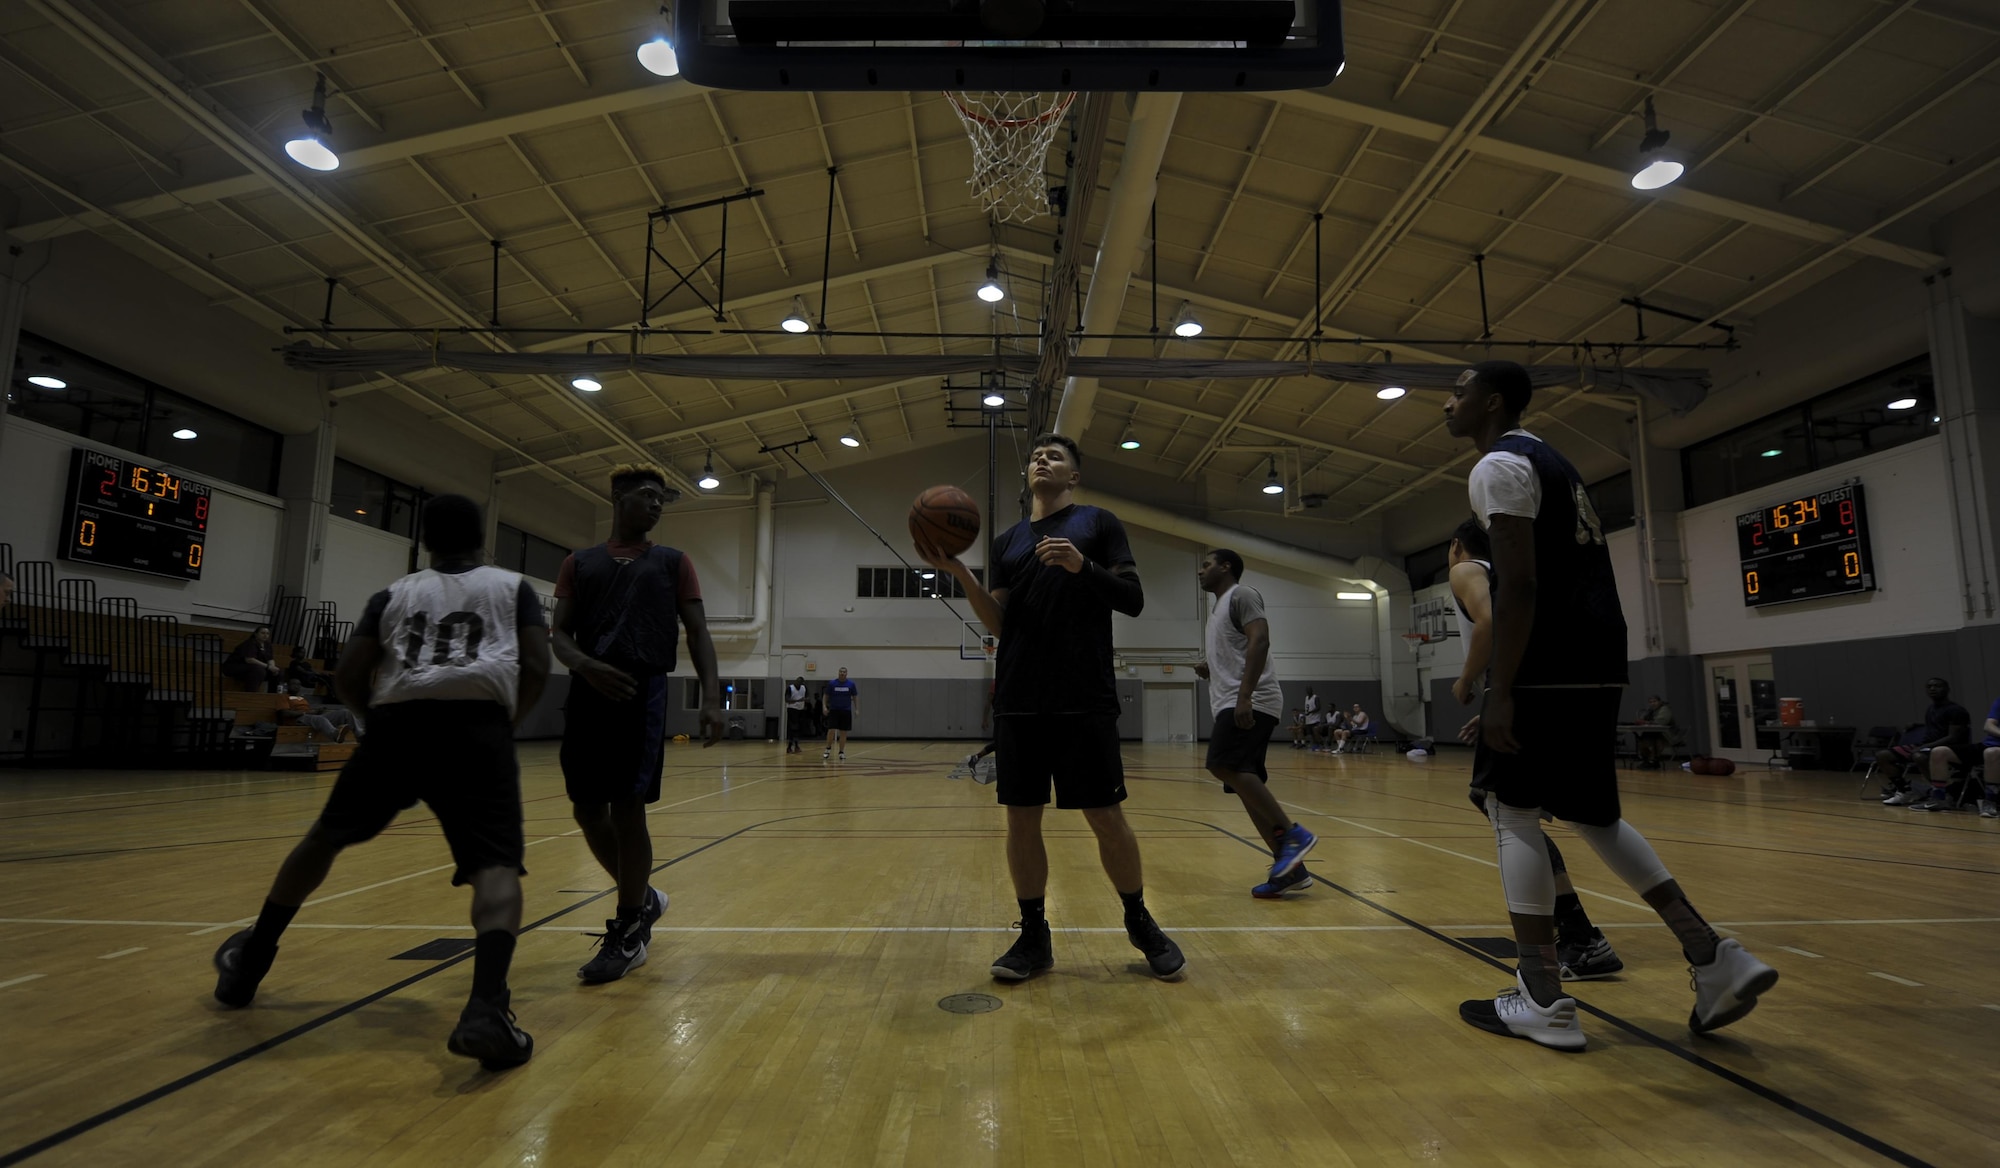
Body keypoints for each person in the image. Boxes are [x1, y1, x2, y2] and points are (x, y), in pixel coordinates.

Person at [1444, 359, 1777, 1050]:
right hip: (1598, 656)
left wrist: (1499, 688)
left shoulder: (1498, 466)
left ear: (1492, 402)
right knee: (1595, 815)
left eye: (1459, 393)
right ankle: (1713, 954)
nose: (1447, 404)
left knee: (1512, 813)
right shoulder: (1555, 462)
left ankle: (1541, 995)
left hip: (1547, 660)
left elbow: (1522, 586)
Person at [209, 495, 550, 1069]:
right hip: (477, 728)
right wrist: (505, 724)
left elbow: (347, 673)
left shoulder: (394, 593)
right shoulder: (512, 589)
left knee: (324, 839)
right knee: (494, 867)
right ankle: (487, 1006)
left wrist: (378, 722)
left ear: (425, 543)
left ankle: (253, 959)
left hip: (397, 722)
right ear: (482, 540)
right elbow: (537, 666)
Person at [916, 433, 1186, 982]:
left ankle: (1139, 920)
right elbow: (1000, 625)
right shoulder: (1007, 542)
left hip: (1084, 695)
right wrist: (962, 574)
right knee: (1020, 821)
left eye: (1055, 456)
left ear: (1074, 476)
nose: (1042, 459)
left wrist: (1082, 566)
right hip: (1018, 699)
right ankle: (1034, 937)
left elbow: (1132, 600)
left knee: (1106, 818)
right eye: (1037, 456)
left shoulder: (1098, 524)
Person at [552, 464, 722, 986]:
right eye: (648, 497)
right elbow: (557, 634)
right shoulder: (579, 563)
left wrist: (712, 699)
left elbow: (697, 630)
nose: (656, 507)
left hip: (641, 692)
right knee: (586, 810)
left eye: (661, 501)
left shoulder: (673, 562)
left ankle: (629, 929)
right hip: (587, 692)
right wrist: (585, 665)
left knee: (628, 810)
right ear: (619, 500)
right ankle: (643, 897)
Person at [1447, 518, 1621, 981]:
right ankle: (1586, 934)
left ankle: (1575, 940)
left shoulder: (1466, 571)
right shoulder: (1513, 573)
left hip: (1527, 697)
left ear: (1455, 546)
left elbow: (1489, 623)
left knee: (1506, 807)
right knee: (1527, 809)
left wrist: (1470, 681)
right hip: (1557, 691)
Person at [1194, 548, 1319, 899]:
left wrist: (1245, 696)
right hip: (1231, 702)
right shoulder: (1217, 609)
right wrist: (1211, 667)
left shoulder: (1242, 595)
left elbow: (1260, 639)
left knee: (1221, 764)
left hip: (1251, 701)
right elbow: (1237, 650)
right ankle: (1290, 869)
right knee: (1245, 786)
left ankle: (1294, 835)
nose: (1200, 572)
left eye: (1206, 565)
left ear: (1226, 567)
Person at [1878, 678, 1973, 807]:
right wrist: (1917, 725)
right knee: (1883, 755)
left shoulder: (1957, 711)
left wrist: (1924, 747)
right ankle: (1904, 790)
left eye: (1937, 686)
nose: (1933, 689)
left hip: (1950, 748)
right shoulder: (1931, 709)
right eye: (1929, 686)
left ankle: (1942, 793)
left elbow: (1953, 737)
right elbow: (1939, 724)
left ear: (1947, 689)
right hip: (1927, 745)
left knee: (1920, 756)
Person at [282, 680, 358, 743]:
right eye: (294, 684)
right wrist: (305, 713)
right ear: (288, 685)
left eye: (298, 684)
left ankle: (358, 734)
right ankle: (335, 735)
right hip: (297, 719)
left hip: (309, 717)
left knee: (345, 712)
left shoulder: (301, 699)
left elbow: (309, 713)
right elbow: (284, 713)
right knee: (319, 719)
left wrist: (317, 711)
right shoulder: (283, 697)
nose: (296, 686)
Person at [223, 625, 283, 692]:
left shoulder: (267, 645)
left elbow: (270, 659)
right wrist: (268, 667)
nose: (265, 635)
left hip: (254, 668)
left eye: (267, 633)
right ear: (256, 634)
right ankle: (251, 694)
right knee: (258, 670)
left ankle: (272, 696)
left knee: (277, 673)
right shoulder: (250, 643)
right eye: (263, 633)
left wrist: (273, 668)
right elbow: (249, 660)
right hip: (235, 667)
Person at [822, 667, 858, 761]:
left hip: (846, 711)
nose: (842, 673)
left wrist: (856, 709)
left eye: (844, 672)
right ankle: (828, 749)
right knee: (831, 730)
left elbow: (854, 696)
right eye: (841, 672)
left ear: (846, 674)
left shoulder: (851, 684)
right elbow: (826, 695)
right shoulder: (832, 683)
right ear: (838, 673)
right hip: (834, 710)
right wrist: (824, 707)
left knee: (843, 732)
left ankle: (841, 752)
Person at [1634, 695, 1676, 768]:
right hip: (1652, 733)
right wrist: (1642, 721)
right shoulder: (1650, 710)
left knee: (1656, 741)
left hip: (1666, 734)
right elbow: (1642, 719)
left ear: (1659, 702)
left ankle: (1652, 760)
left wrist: (1647, 722)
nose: (1653, 703)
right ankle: (1648, 760)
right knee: (1642, 741)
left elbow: (1662, 721)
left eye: (1654, 701)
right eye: (1650, 702)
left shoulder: (1665, 709)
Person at [784, 677, 808, 754]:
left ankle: (791, 747)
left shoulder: (804, 688)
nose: (799, 684)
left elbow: (806, 696)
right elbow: (787, 700)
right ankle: (795, 746)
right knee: (794, 728)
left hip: (800, 710)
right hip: (792, 710)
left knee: (798, 728)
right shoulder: (790, 688)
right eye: (798, 682)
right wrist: (798, 700)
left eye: (801, 683)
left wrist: (806, 699)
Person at [1303, 687, 1324, 751]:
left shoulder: (1315, 697)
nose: (1308, 691)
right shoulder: (1306, 698)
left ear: (1312, 690)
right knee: (1311, 734)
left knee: (1316, 733)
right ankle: (1315, 745)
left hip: (1315, 719)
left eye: (1309, 690)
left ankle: (1322, 745)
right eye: (1307, 690)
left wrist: (1310, 712)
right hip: (1308, 719)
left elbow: (1318, 707)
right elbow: (1307, 708)